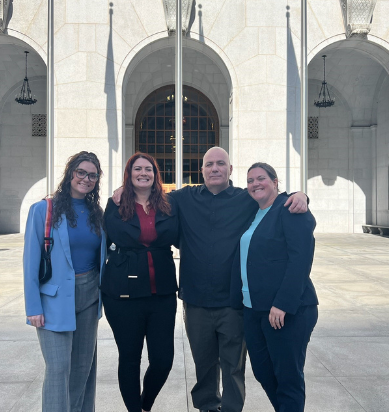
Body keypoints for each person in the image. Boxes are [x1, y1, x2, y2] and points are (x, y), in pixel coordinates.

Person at [113, 146, 308, 412]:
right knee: (203, 364)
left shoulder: (246, 198)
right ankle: (207, 407)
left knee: (233, 366)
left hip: (233, 301)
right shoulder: (183, 198)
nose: (214, 168)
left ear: (230, 170)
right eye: (209, 164)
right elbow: (150, 194)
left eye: (220, 163)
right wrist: (123, 190)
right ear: (201, 170)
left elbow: (272, 198)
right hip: (196, 300)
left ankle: (230, 408)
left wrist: (301, 195)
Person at [231, 162, 318, 412]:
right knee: (263, 372)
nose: (255, 184)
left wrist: (283, 303)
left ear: (275, 181)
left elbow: (301, 259)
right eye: (250, 181)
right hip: (253, 309)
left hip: (287, 310)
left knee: (288, 377)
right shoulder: (253, 211)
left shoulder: (289, 208)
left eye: (261, 178)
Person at [23, 151, 106, 412]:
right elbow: (30, 262)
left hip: (89, 297)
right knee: (59, 369)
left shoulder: (97, 213)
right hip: (54, 301)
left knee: (83, 369)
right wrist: (33, 306)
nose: (86, 179)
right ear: (70, 173)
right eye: (81, 172)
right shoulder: (43, 210)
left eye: (92, 175)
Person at [102, 152, 179, 412]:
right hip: (123, 294)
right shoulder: (116, 203)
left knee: (162, 360)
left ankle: (146, 404)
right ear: (129, 173)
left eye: (148, 169)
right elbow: (109, 238)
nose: (143, 173)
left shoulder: (169, 204)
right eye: (138, 169)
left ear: (155, 174)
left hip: (162, 294)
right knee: (130, 358)